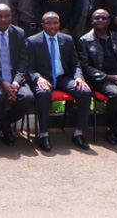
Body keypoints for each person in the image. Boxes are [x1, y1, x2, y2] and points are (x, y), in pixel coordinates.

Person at [26, 11, 92, 152]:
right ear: (43, 25)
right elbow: (29, 68)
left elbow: (75, 64)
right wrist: (38, 77)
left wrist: (79, 77)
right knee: (43, 93)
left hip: (62, 77)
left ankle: (78, 133)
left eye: (55, 23)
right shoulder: (32, 41)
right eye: (48, 23)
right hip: (44, 78)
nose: (52, 26)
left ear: (59, 24)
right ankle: (43, 134)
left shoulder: (67, 40)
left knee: (85, 92)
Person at [78, 9, 117, 144]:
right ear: (92, 21)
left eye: (104, 18)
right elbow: (86, 67)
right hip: (100, 79)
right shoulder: (84, 40)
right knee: (116, 95)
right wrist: (109, 78)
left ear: (108, 22)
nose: (100, 20)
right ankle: (112, 129)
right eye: (97, 18)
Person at [0, 4, 33, 146]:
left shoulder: (19, 33)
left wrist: (15, 83)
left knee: (27, 97)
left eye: (6, 16)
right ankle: (8, 132)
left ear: (11, 17)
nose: (3, 20)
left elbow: (23, 60)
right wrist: (2, 82)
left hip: (15, 79)